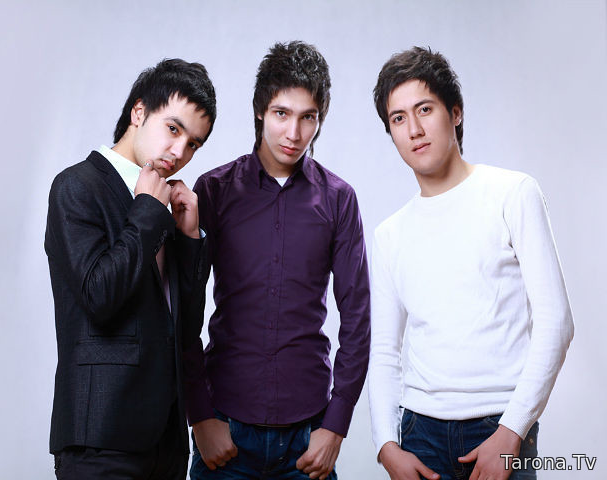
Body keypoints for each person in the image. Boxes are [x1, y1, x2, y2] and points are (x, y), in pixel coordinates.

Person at [368, 46, 574, 480]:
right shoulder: (389, 235)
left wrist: (512, 431)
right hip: (419, 434)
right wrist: (386, 446)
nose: (414, 129)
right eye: (398, 118)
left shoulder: (512, 194)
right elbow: (385, 351)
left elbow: (556, 323)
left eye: (425, 109)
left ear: (455, 113)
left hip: (499, 425)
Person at [187, 41, 370, 479]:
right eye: (282, 114)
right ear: (260, 111)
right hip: (225, 429)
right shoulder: (213, 191)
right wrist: (200, 417)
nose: (294, 133)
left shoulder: (339, 199)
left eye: (308, 117)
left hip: (307, 437)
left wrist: (336, 426)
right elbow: (184, 312)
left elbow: (358, 318)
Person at [45, 58, 216, 479]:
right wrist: (146, 212)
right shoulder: (76, 186)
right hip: (101, 439)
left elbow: (185, 328)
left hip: (166, 443)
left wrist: (189, 238)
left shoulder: (163, 206)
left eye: (193, 144)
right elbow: (100, 296)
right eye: (173, 129)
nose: (179, 152)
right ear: (139, 112)